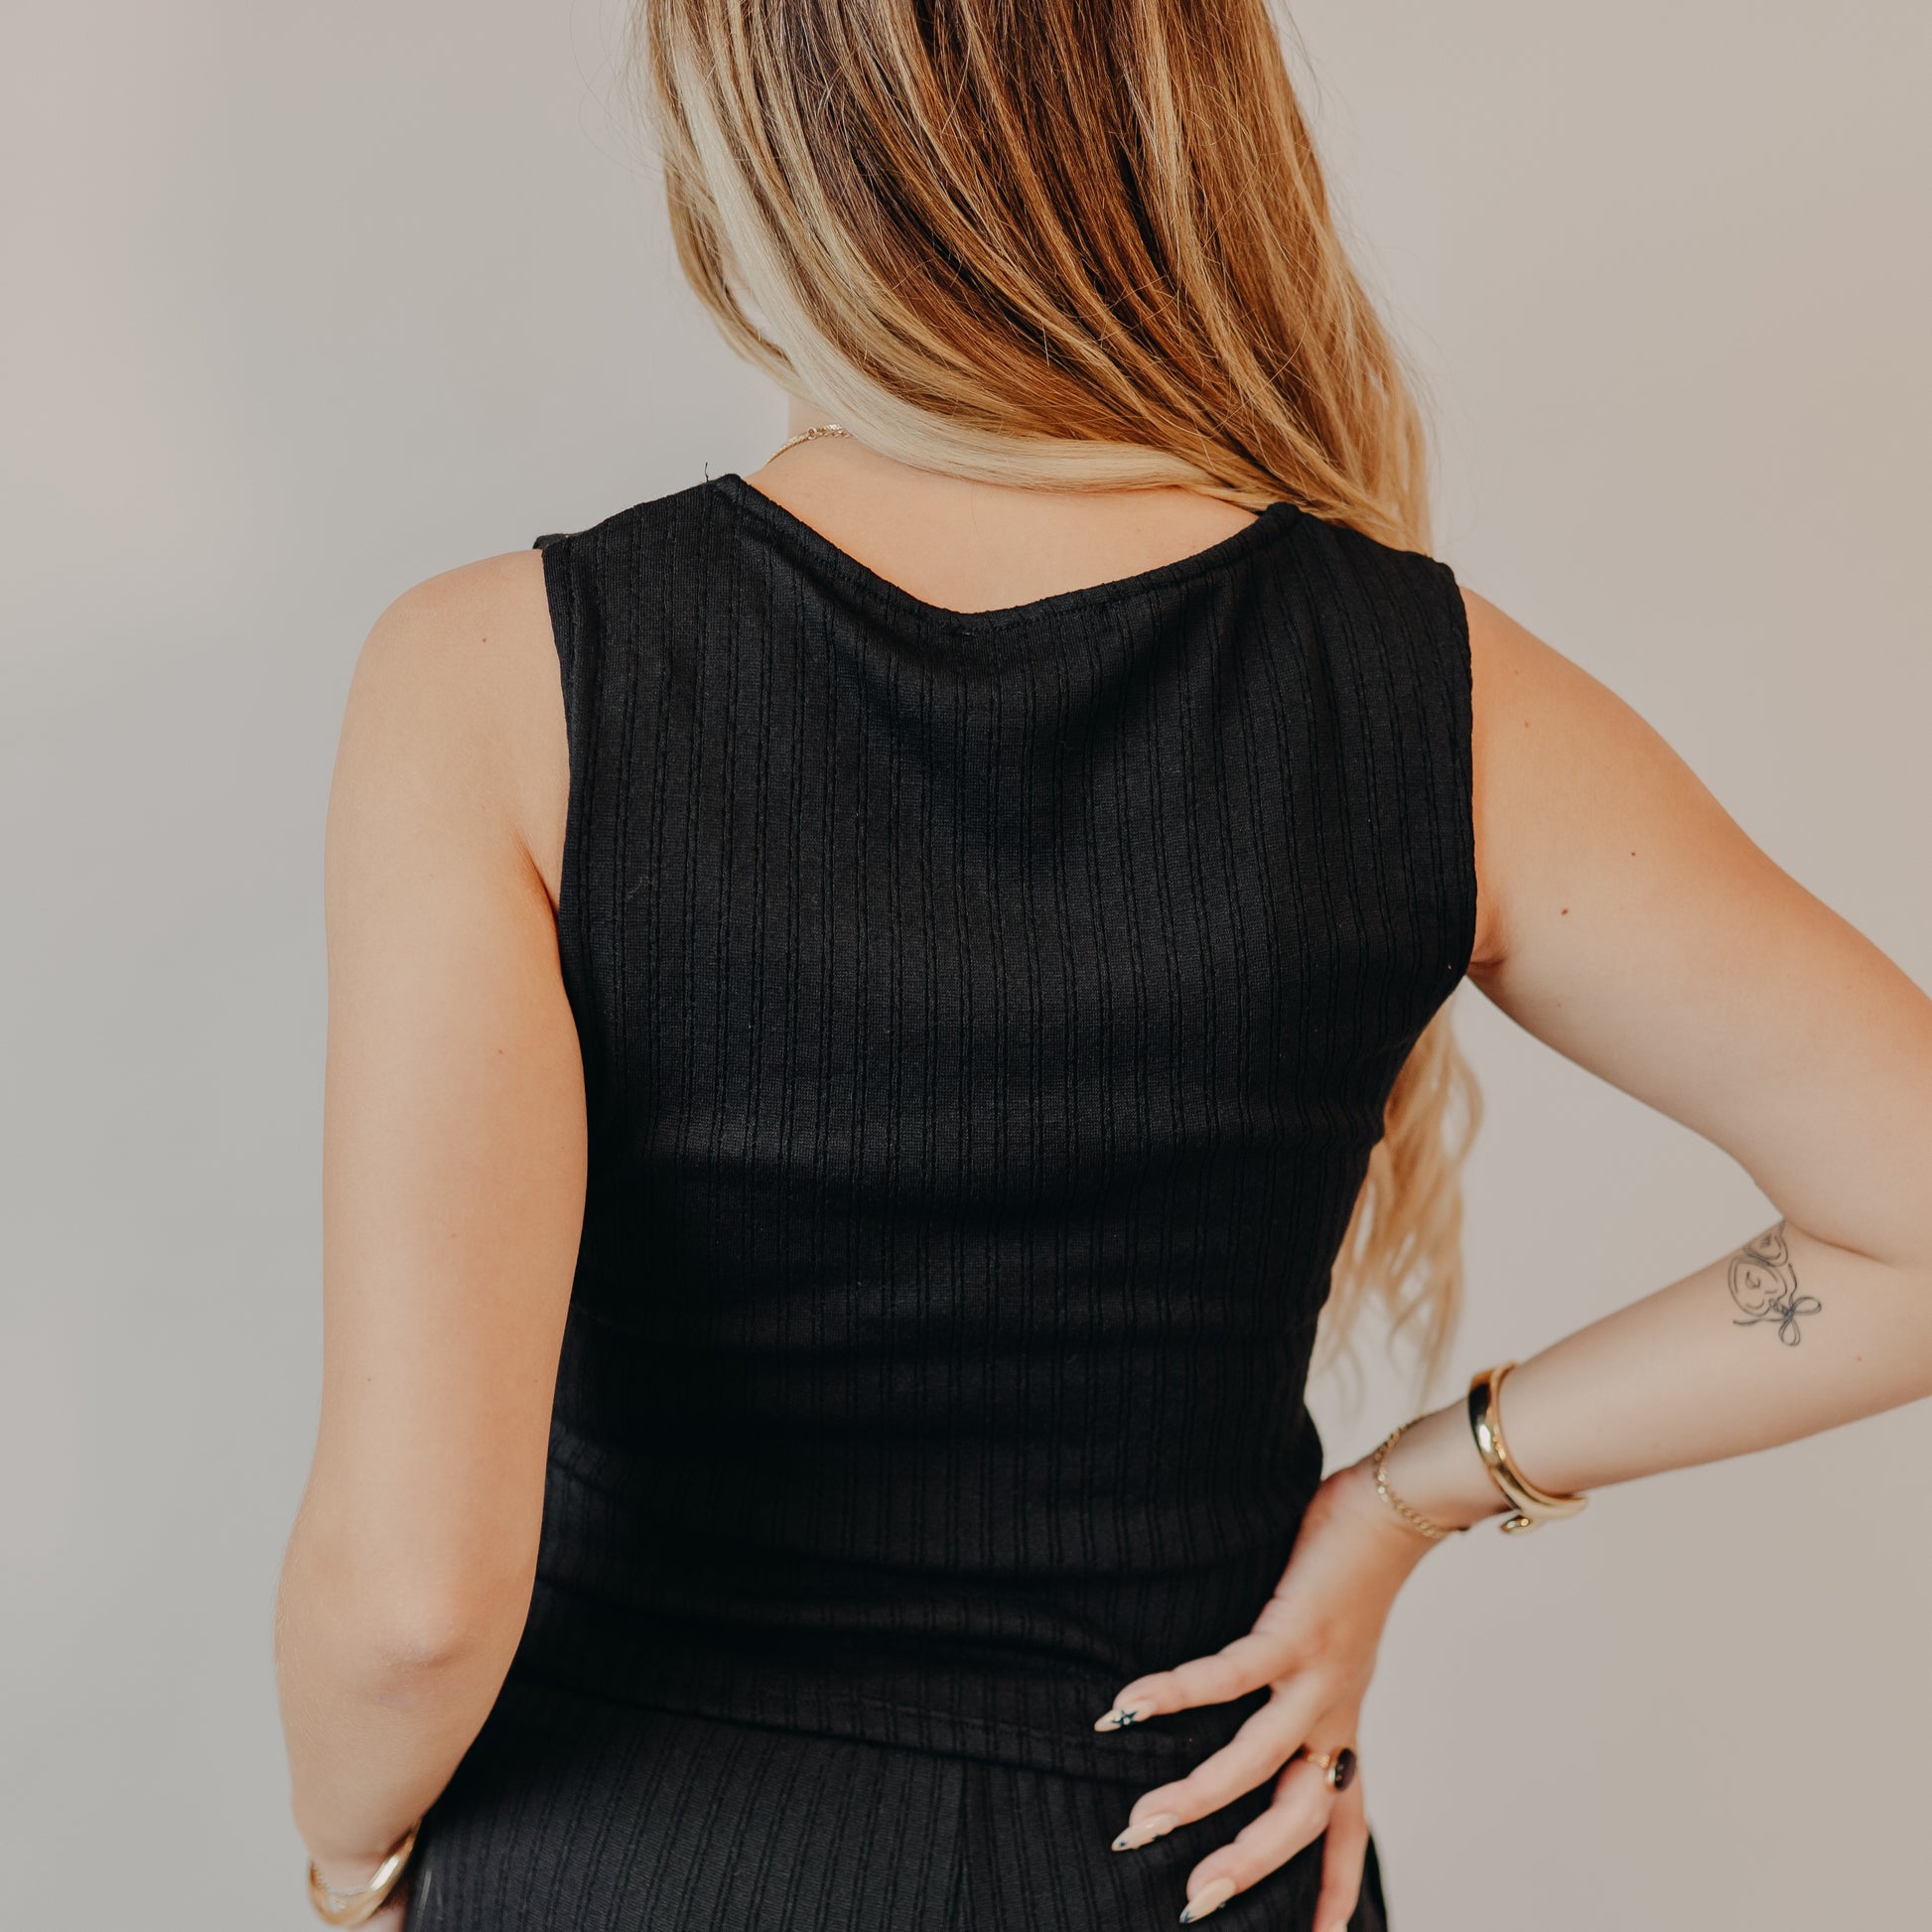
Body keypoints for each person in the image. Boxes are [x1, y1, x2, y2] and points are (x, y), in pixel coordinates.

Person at [273, 3, 1932, 1928]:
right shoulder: (1441, 699)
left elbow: (411, 1606)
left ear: (753, 148)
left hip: (627, 1860)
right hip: (1181, 1852)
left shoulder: (495, 684)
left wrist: (347, 1865)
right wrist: (1412, 1490)